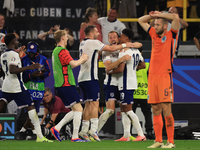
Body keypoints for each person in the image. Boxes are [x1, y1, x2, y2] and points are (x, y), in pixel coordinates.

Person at [78, 25, 136, 142]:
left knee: (88, 104)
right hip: (91, 77)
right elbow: (110, 50)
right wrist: (126, 45)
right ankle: (93, 131)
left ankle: (84, 131)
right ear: (91, 32)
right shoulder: (93, 42)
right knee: (95, 103)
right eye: (96, 31)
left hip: (82, 78)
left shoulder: (83, 43)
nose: (99, 33)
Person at [0, 33, 52, 142]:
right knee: (32, 109)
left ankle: (36, 135)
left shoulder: (4, 55)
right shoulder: (13, 55)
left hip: (6, 85)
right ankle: (40, 136)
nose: (17, 41)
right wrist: (31, 67)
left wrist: (19, 52)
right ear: (12, 42)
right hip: (16, 86)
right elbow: (12, 70)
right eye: (16, 40)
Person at [138, 10, 179, 148]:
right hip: (152, 76)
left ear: (165, 26)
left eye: (158, 24)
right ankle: (158, 140)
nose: (155, 26)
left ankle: (171, 142)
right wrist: (154, 16)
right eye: (154, 24)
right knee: (155, 109)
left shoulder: (171, 34)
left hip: (164, 75)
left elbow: (175, 18)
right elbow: (141, 20)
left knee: (166, 109)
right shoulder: (153, 34)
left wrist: (160, 14)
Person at [97, 30, 142, 142]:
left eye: (115, 37)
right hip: (111, 84)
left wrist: (129, 68)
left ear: (119, 39)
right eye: (110, 37)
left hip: (122, 83)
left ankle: (127, 134)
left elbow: (139, 45)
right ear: (108, 39)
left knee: (124, 109)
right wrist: (122, 61)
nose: (112, 39)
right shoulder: (107, 51)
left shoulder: (126, 49)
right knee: (110, 110)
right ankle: (94, 132)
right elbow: (108, 67)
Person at [50, 30, 89, 142]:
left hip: (60, 84)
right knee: (79, 109)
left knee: (75, 110)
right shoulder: (63, 51)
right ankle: (75, 137)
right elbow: (73, 64)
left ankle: (56, 128)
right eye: (66, 37)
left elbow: (68, 66)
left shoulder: (55, 51)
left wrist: (79, 61)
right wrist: (82, 59)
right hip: (66, 84)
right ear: (62, 37)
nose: (67, 39)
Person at [18, 41, 51, 140]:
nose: (31, 54)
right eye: (29, 51)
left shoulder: (43, 59)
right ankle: (34, 133)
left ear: (37, 51)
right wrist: (30, 75)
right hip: (28, 87)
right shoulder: (23, 59)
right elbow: (21, 75)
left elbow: (48, 72)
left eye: (33, 52)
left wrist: (42, 74)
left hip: (39, 87)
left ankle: (24, 132)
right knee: (30, 111)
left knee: (34, 111)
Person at [132, 47, 154, 139]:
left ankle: (149, 131)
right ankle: (128, 132)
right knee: (130, 113)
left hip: (142, 94)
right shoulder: (130, 65)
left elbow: (151, 80)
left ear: (141, 52)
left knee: (147, 113)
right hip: (135, 94)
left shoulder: (147, 65)